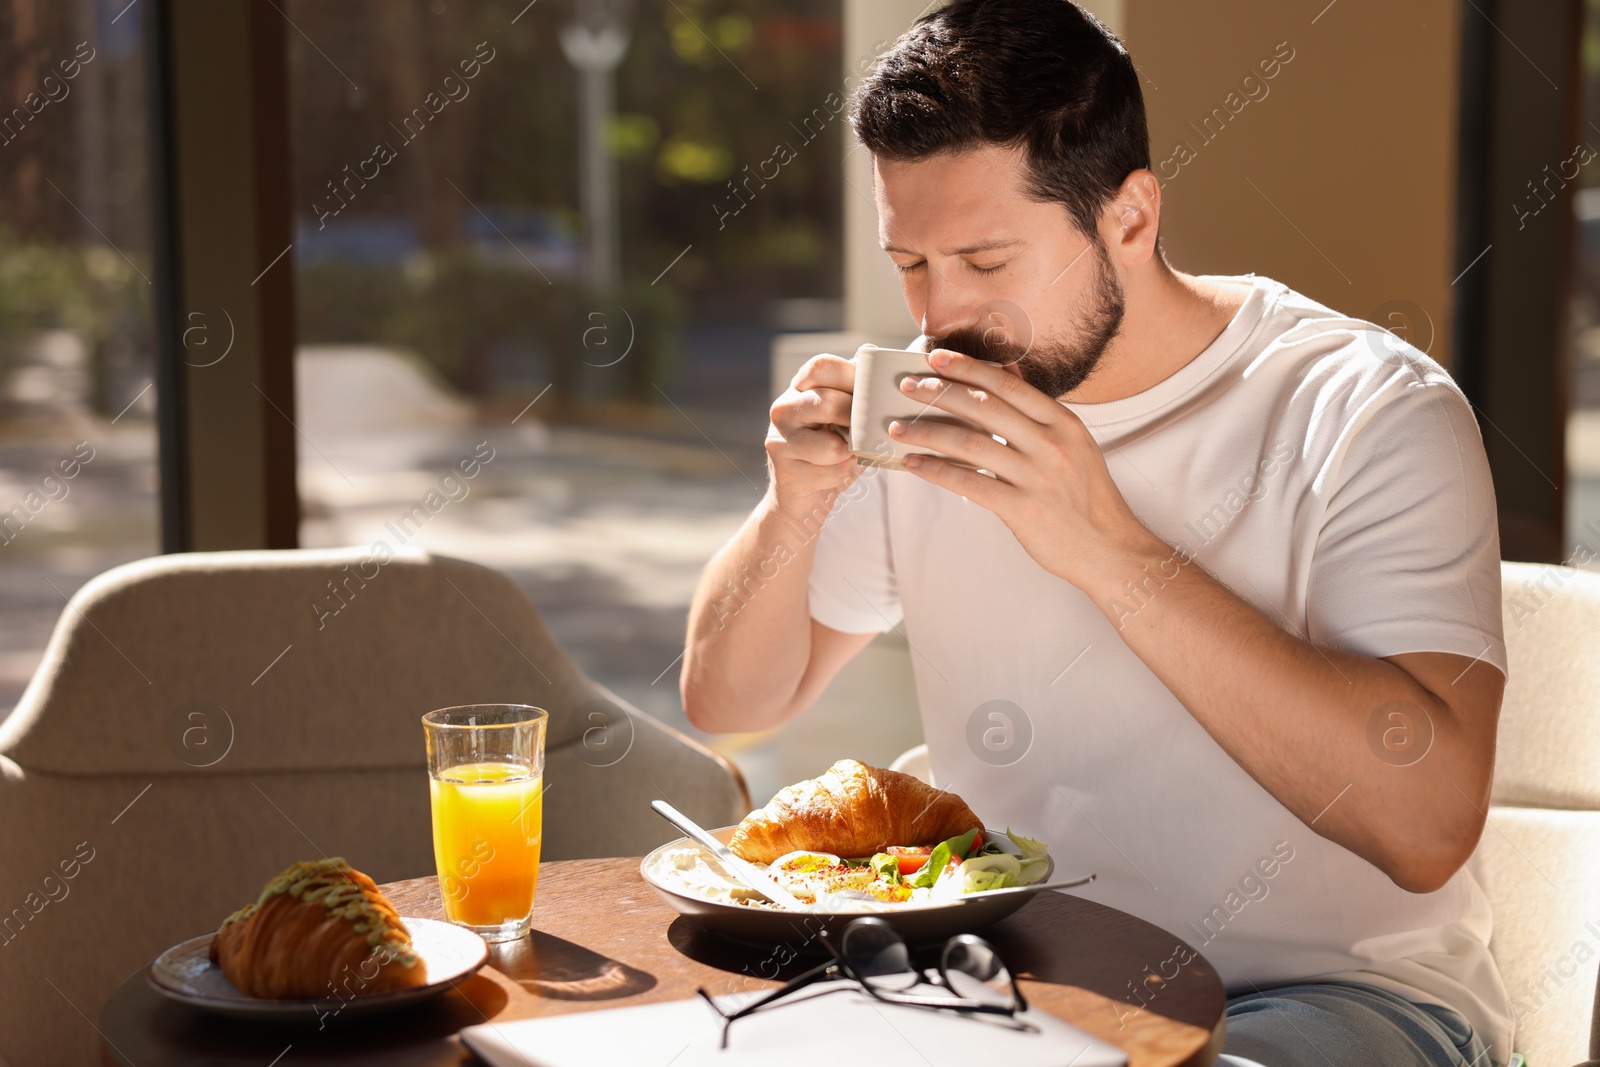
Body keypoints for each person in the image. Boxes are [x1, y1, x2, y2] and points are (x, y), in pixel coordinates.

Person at [679, 2, 1510, 1064]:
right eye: (911, 262)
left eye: (985, 260)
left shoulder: (1363, 409)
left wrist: (1107, 549)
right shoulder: (932, 408)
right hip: (1009, 974)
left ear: (1130, 215)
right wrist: (790, 509)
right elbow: (729, 701)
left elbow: (1427, 825)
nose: (941, 317)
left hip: (1328, 996)